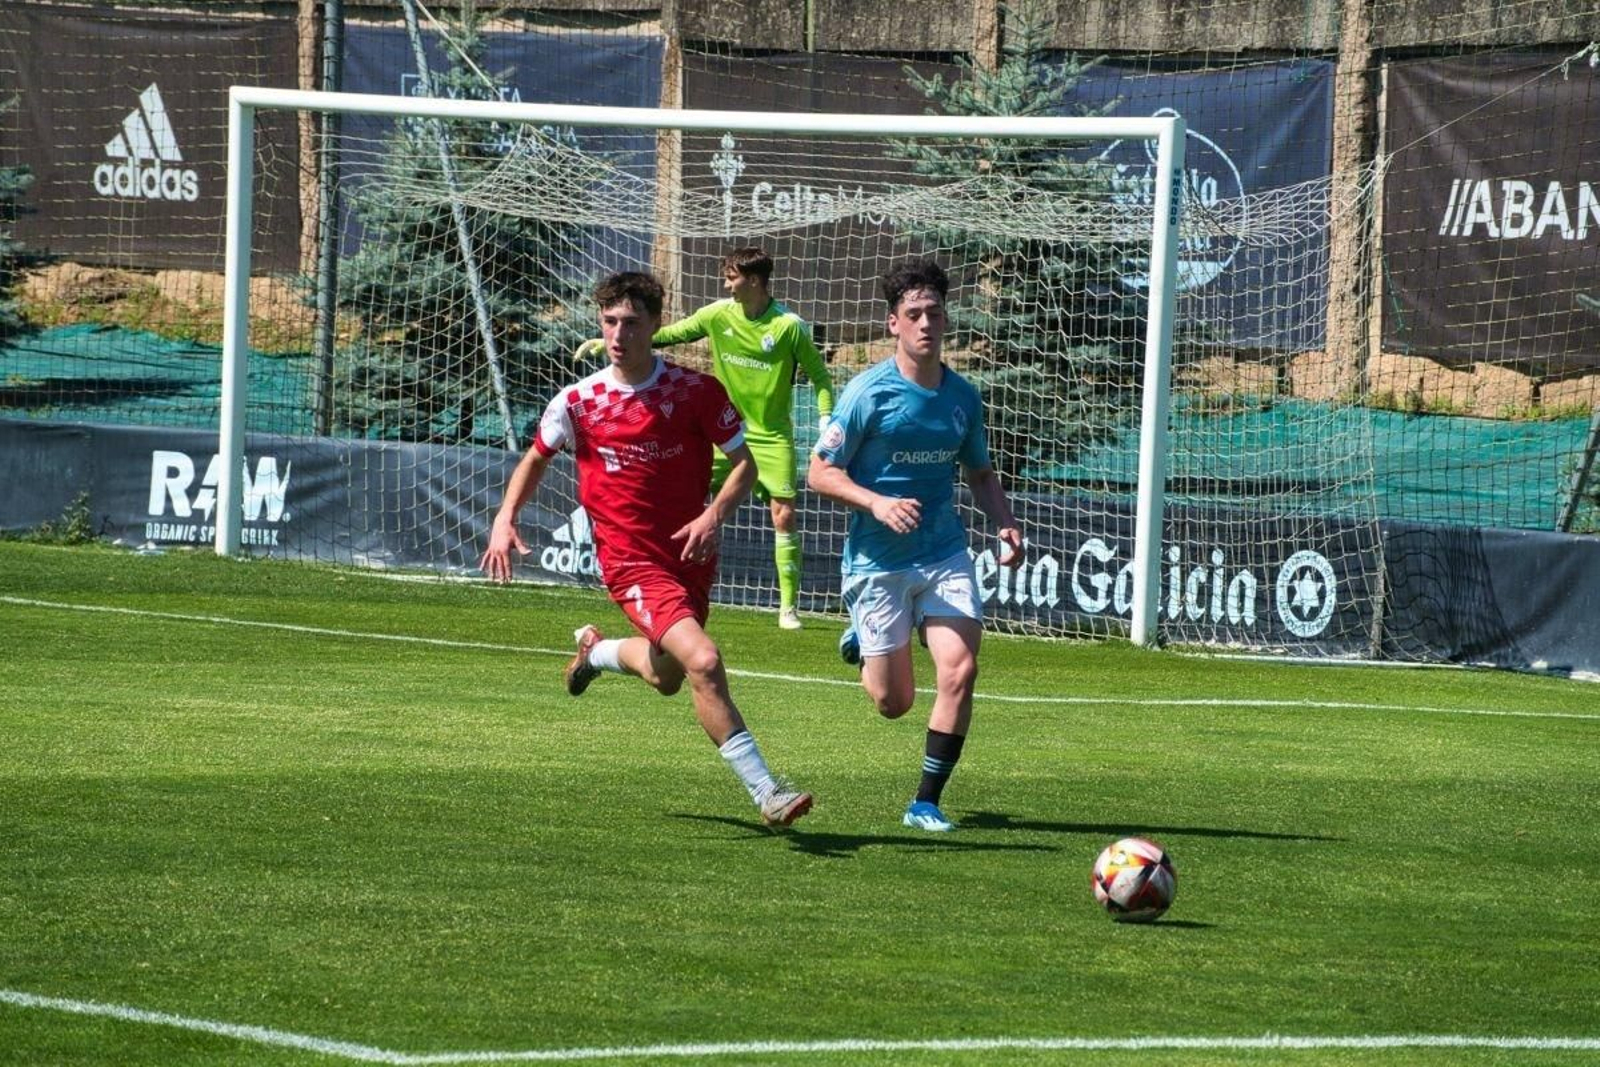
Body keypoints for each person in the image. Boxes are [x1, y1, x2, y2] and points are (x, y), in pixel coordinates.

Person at [483, 270, 813, 829]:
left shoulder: (695, 392)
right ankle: (767, 791)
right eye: (609, 322)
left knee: (667, 677)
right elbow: (536, 458)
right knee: (704, 660)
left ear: (656, 325)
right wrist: (504, 519)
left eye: (631, 323)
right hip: (631, 562)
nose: (618, 334)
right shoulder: (579, 401)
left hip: (691, 556)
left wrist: (713, 515)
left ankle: (597, 652)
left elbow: (744, 467)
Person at [807, 259, 1023, 833]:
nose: (926, 323)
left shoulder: (963, 399)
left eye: (934, 312)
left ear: (946, 319)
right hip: (877, 562)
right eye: (913, 314)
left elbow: (979, 474)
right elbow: (820, 472)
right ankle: (864, 639)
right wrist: (876, 503)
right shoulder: (867, 394)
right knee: (892, 703)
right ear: (892, 325)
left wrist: (1004, 523)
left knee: (960, 668)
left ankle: (925, 801)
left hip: (944, 552)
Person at [587, 247, 834, 631]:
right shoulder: (717, 314)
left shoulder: (789, 326)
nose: (725, 284)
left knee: (784, 514)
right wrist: (610, 344)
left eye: (732, 277)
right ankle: (660, 584)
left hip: (771, 438)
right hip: (723, 433)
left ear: (753, 281)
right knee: (686, 505)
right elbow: (667, 334)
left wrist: (825, 419)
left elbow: (820, 375)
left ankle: (788, 608)